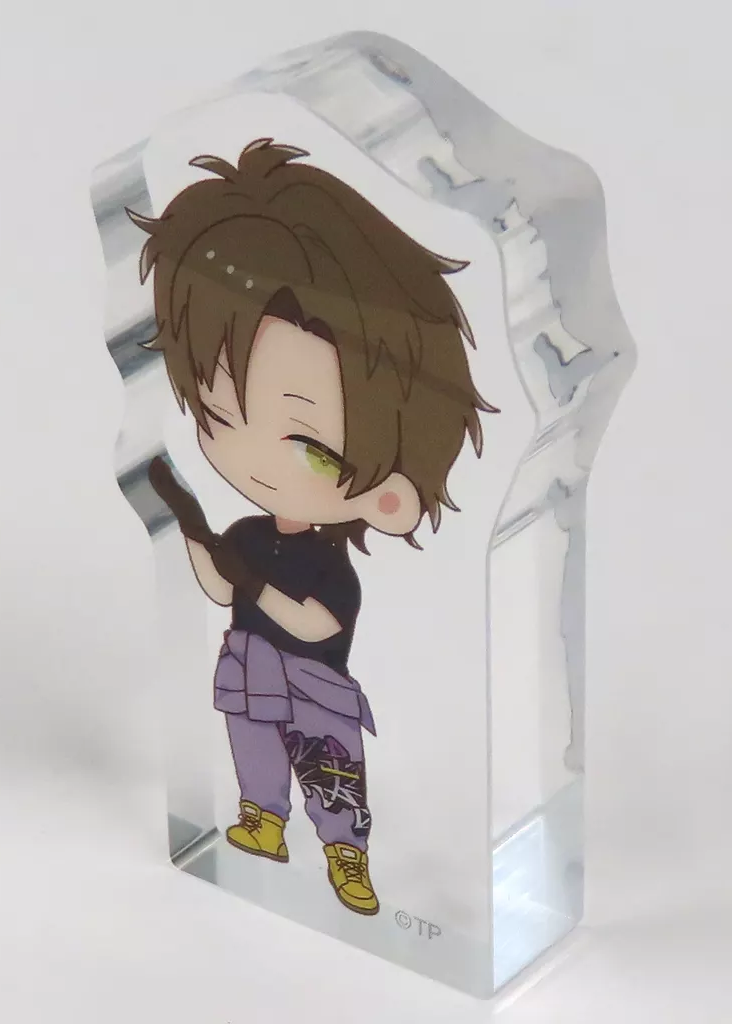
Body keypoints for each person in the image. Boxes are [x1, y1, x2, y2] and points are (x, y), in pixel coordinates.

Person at [130, 138, 497, 915]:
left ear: (388, 497)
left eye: (308, 444)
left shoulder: (332, 567)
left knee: (332, 773)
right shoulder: (245, 535)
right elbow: (218, 584)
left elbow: (314, 622)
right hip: (249, 666)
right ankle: (262, 822)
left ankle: (346, 855)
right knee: (252, 749)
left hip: (314, 683)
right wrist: (190, 531)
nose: (252, 456)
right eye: (219, 415)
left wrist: (253, 586)